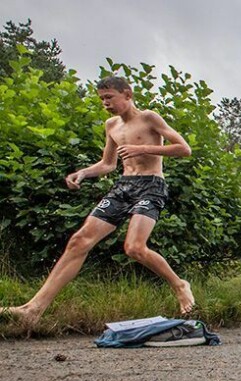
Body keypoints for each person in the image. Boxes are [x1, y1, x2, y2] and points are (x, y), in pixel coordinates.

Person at [1, 76, 195, 326]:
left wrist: (143, 149)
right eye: (102, 99)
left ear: (127, 94)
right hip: (124, 186)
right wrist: (84, 172)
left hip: (151, 186)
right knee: (79, 241)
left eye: (110, 97)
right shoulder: (111, 125)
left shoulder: (149, 118)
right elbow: (108, 164)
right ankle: (32, 310)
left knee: (134, 248)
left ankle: (179, 285)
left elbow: (184, 148)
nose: (105, 103)